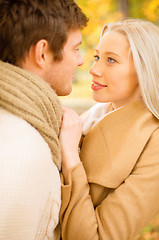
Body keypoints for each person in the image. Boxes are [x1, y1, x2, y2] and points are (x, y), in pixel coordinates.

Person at [60, 18, 159, 240]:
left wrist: (71, 159)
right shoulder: (86, 119)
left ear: (144, 70)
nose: (94, 69)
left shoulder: (153, 142)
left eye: (111, 60)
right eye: (97, 57)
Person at [0, 0, 87, 239]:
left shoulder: (27, 126)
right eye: (75, 49)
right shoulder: (22, 148)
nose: (80, 61)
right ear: (42, 53)